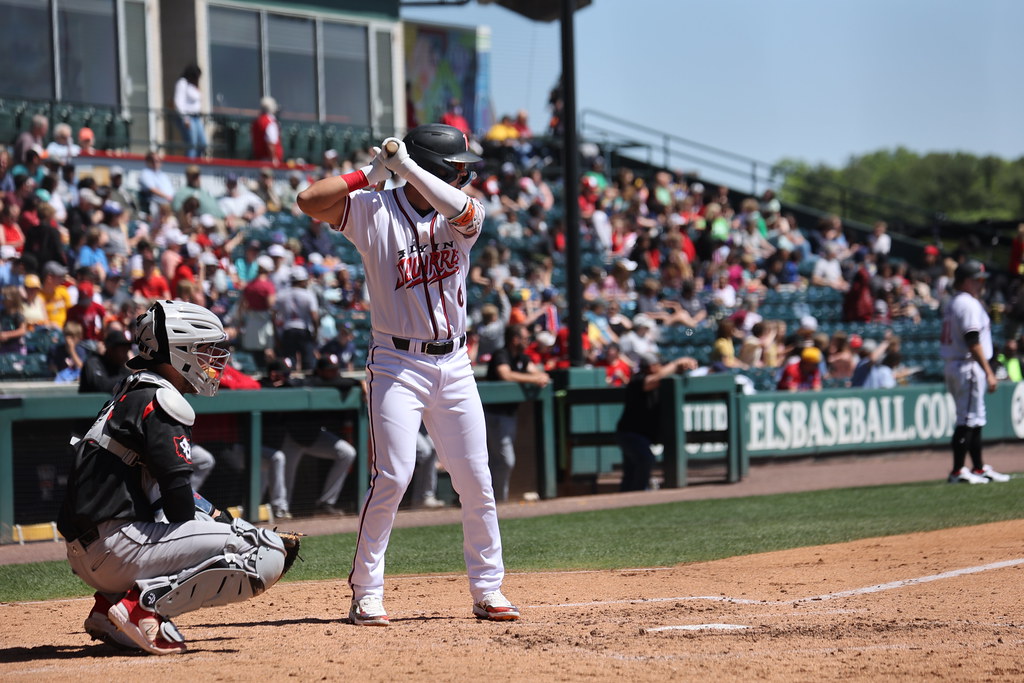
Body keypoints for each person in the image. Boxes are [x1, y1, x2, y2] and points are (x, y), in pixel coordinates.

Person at [297, 122, 520, 625]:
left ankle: (488, 589)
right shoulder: (375, 210)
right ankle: (366, 590)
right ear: (438, 165)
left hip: (455, 363)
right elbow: (309, 201)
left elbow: (460, 210)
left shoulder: (464, 213)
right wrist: (369, 173)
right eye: (457, 166)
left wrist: (409, 169)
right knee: (393, 476)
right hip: (397, 362)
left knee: (476, 480)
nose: (466, 174)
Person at [57, 300, 299, 655]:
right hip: (116, 546)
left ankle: (110, 609)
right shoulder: (162, 398)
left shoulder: (133, 389)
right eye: (203, 351)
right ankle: (139, 608)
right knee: (266, 551)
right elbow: (178, 505)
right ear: (179, 352)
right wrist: (232, 536)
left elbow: (163, 494)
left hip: (90, 549)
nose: (211, 362)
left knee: (236, 534)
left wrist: (221, 522)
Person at [939, 260, 1009, 484]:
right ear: (967, 281)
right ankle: (958, 470)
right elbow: (972, 340)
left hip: (958, 363)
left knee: (975, 418)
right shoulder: (967, 303)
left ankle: (978, 468)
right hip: (967, 364)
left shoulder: (955, 302)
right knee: (967, 419)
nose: (982, 284)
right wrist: (988, 371)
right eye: (979, 280)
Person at [484, 324, 551, 502]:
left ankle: (498, 500)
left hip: (509, 415)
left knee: (499, 461)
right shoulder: (501, 354)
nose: (527, 341)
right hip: (492, 415)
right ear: (514, 339)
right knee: (503, 460)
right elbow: (505, 374)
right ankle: (498, 501)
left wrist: (538, 376)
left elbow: (538, 374)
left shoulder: (522, 357)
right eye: (524, 338)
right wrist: (534, 378)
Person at [615, 352, 698, 492]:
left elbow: (661, 377)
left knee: (632, 470)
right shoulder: (637, 379)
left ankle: (628, 495)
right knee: (645, 460)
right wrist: (676, 363)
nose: (661, 367)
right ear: (651, 366)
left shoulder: (660, 380)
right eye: (659, 365)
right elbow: (653, 380)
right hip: (630, 434)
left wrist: (681, 367)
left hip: (640, 435)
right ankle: (639, 493)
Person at [174, 64, 206, 158]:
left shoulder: (193, 86)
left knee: (202, 143)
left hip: (196, 117)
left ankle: (198, 161)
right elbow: (178, 103)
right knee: (192, 143)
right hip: (188, 117)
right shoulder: (182, 83)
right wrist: (185, 118)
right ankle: (190, 163)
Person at [251, 97, 283, 165]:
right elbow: (270, 142)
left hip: (259, 159)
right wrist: (274, 159)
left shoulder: (257, 121)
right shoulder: (269, 122)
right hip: (269, 161)